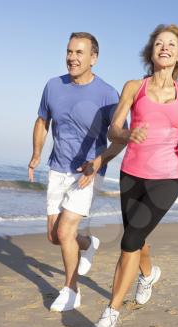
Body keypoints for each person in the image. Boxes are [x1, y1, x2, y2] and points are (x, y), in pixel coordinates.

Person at [91, 24, 178, 327]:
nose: (164, 47)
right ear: (150, 51)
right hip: (132, 174)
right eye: (158, 43)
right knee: (136, 239)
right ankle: (148, 274)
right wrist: (127, 133)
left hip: (166, 178)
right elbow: (113, 128)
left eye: (171, 44)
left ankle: (110, 314)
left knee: (129, 241)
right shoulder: (133, 88)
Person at [28, 32, 125, 312]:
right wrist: (36, 154)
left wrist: (98, 162)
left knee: (66, 230)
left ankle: (71, 290)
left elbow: (119, 138)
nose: (72, 57)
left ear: (93, 58)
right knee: (54, 235)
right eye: (69, 51)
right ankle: (89, 243)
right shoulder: (53, 86)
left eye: (79, 53)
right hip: (57, 168)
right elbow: (41, 120)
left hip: (88, 172)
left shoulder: (107, 94)